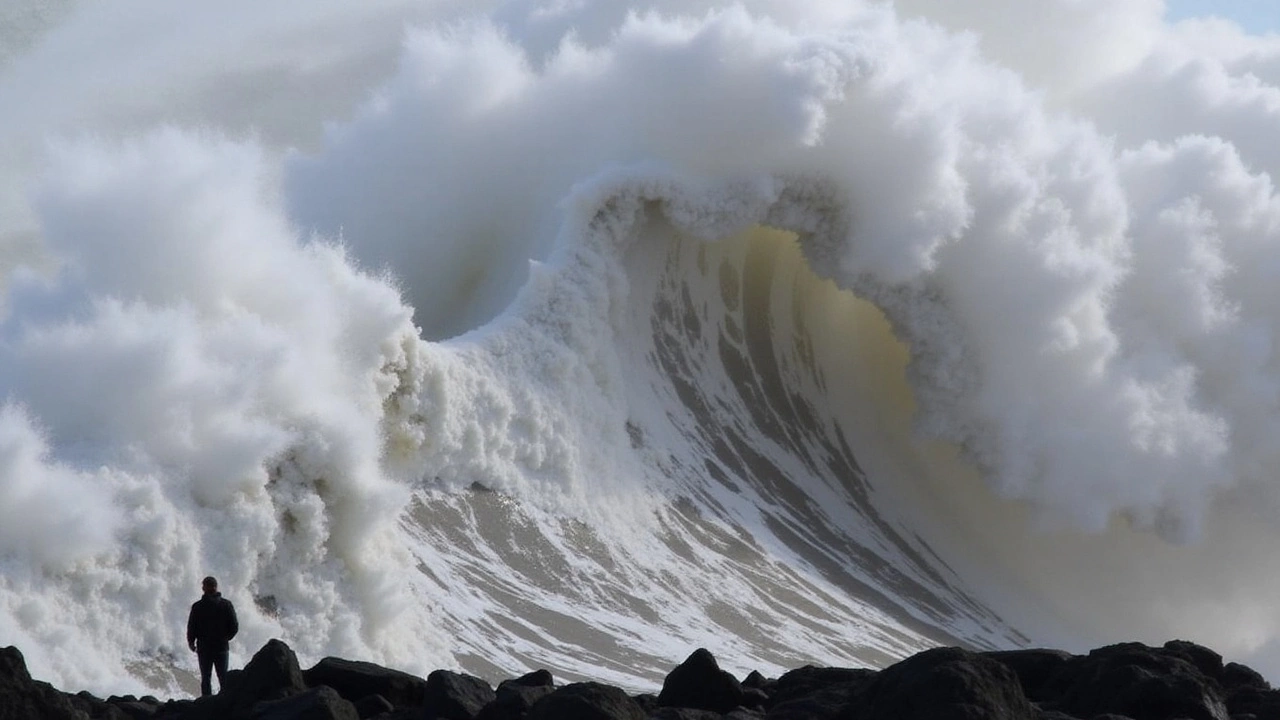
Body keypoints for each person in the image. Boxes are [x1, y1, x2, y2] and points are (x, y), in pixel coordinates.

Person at [186, 576, 238, 696]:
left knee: (206, 678)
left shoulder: (198, 606)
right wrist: (226, 638)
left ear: (204, 588)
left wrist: (191, 642)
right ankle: (225, 704)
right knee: (223, 678)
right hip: (221, 647)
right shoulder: (226, 605)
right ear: (216, 587)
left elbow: (191, 627)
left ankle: (206, 705)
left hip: (204, 648)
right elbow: (234, 626)